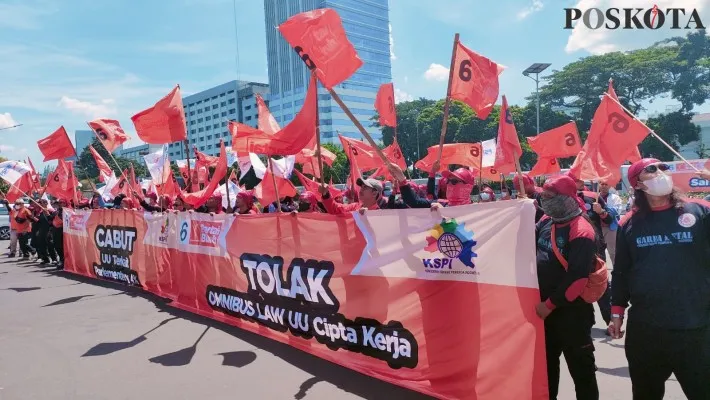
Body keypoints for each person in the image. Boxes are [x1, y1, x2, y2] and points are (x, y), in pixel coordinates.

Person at [610, 158, 710, 400]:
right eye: (651, 170)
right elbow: (621, 271)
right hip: (647, 331)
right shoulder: (629, 224)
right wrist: (616, 313)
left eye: (664, 167)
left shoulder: (699, 211)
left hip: (695, 327)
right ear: (638, 184)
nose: (661, 172)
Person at [535, 174, 600, 400]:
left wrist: (550, 304)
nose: (544, 199)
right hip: (545, 316)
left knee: (582, 374)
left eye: (549, 196)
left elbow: (577, 279)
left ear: (566, 199)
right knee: (546, 374)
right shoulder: (546, 222)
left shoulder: (581, 230)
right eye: (543, 195)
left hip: (572, 315)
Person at [569, 173, 613, 326]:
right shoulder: (562, 200)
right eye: (577, 179)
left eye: (581, 178)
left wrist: (601, 212)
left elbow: (610, 220)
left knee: (601, 283)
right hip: (573, 250)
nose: (581, 181)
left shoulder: (592, 196)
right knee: (578, 284)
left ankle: (610, 320)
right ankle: (586, 321)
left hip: (596, 248)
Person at [319, 176, 406, 214]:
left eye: (365, 188)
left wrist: (368, 217)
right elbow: (335, 209)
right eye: (361, 187)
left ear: (374, 193)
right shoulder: (354, 207)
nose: (361, 189)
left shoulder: (381, 213)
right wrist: (326, 194)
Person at [598, 180, 623, 262]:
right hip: (598, 228)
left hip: (610, 228)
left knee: (612, 252)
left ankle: (617, 271)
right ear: (599, 185)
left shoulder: (615, 198)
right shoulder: (594, 197)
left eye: (606, 184)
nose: (604, 186)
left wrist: (603, 209)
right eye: (602, 184)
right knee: (598, 252)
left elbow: (617, 211)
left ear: (609, 186)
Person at [51, 199, 65, 269]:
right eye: (58, 203)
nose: (59, 204)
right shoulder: (56, 211)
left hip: (63, 231)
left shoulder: (67, 211)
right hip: (56, 230)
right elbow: (50, 220)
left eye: (61, 202)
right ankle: (61, 259)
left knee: (62, 246)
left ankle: (63, 261)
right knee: (57, 246)